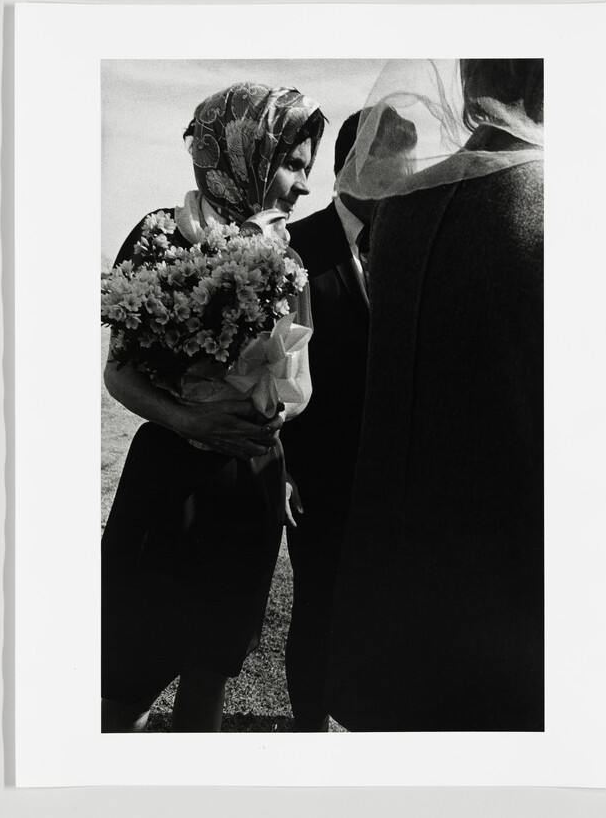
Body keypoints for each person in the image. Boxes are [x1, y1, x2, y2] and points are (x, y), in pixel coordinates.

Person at [326, 59, 545, 731]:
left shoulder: (400, 211)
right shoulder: (565, 202)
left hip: (399, 584)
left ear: (469, 78)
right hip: (514, 594)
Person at [101, 82, 325, 733]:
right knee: (124, 679)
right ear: (244, 151)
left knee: (212, 671)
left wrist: (278, 437)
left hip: (249, 488)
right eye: (293, 165)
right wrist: (192, 419)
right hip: (170, 483)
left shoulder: (289, 259)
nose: (303, 187)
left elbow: (296, 374)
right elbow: (119, 370)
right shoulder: (159, 235)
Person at [282, 108, 416, 732]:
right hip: (317, 478)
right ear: (353, 166)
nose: (409, 176)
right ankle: (308, 737)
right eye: (397, 160)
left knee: (386, 612)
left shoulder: (413, 250)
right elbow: (273, 372)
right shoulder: (293, 248)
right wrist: (282, 467)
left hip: (391, 476)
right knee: (315, 608)